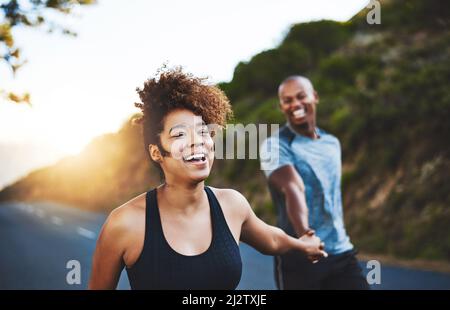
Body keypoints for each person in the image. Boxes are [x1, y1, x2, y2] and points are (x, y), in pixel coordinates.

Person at [88, 68, 327, 290]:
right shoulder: (125, 223)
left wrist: (303, 245)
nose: (197, 141)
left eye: (203, 131)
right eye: (180, 134)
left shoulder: (232, 204)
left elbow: (272, 240)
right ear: (156, 151)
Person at [259, 75, 369, 290]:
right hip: (300, 256)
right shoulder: (274, 145)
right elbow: (292, 187)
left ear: (315, 97)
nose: (295, 104)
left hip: (341, 252)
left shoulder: (332, 143)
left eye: (301, 96)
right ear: (281, 106)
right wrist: (306, 235)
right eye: (288, 100)